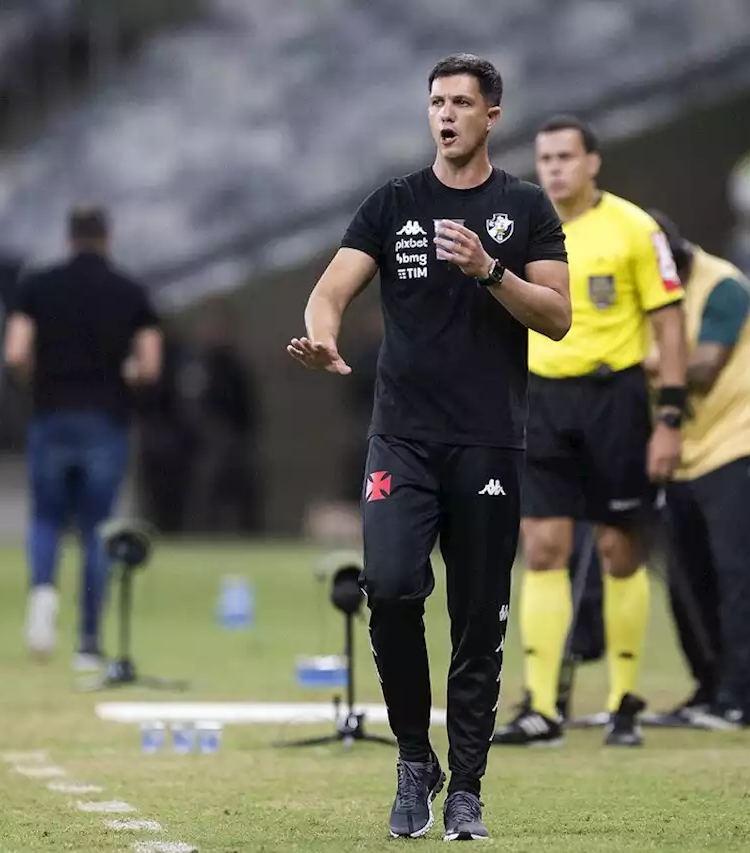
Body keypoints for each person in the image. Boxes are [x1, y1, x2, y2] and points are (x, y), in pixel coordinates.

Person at [286, 54, 570, 842]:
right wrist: (322, 336)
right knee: (392, 586)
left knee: (478, 622)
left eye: (460, 103)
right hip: (401, 439)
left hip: (485, 443)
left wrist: (489, 271)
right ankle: (415, 757)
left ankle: (468, 790)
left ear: (491, 116)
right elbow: (331, 289)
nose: (445, 114)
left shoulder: (523, 207)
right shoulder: (396, 202)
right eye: (436, 102)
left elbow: (556, 315)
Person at [493, 115, 686, 749]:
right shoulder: (521, 224)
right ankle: (541, 707)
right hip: (543, 398)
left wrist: (670, 417)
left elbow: (669, 322)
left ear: (593, 162)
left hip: (615, 398)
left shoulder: (635, 228)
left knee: (617, 550)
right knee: (542, 548)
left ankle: (623, 701)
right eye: (544, 157)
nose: (553, 168)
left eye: (566, 157)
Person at [4, 205, 162, 670]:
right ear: (108, 238)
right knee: (98, 527)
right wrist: (124, 375)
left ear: (68, 237)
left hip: (52, 414)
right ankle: (89, 641)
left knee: (46, 518)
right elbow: (149, 364)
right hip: (105, 420)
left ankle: (42, 597)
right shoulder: (130, 292)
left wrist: (40, 378)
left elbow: (15, 352)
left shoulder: (38, 285)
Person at [645, 216, 750, 731]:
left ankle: (741, 695)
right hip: (679, 448)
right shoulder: (649, 287)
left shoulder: (722, 286)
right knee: (685, 580)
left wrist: (641, 361)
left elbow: (704, 365)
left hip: (732, 443)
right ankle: (708, 686)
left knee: (733, 574)